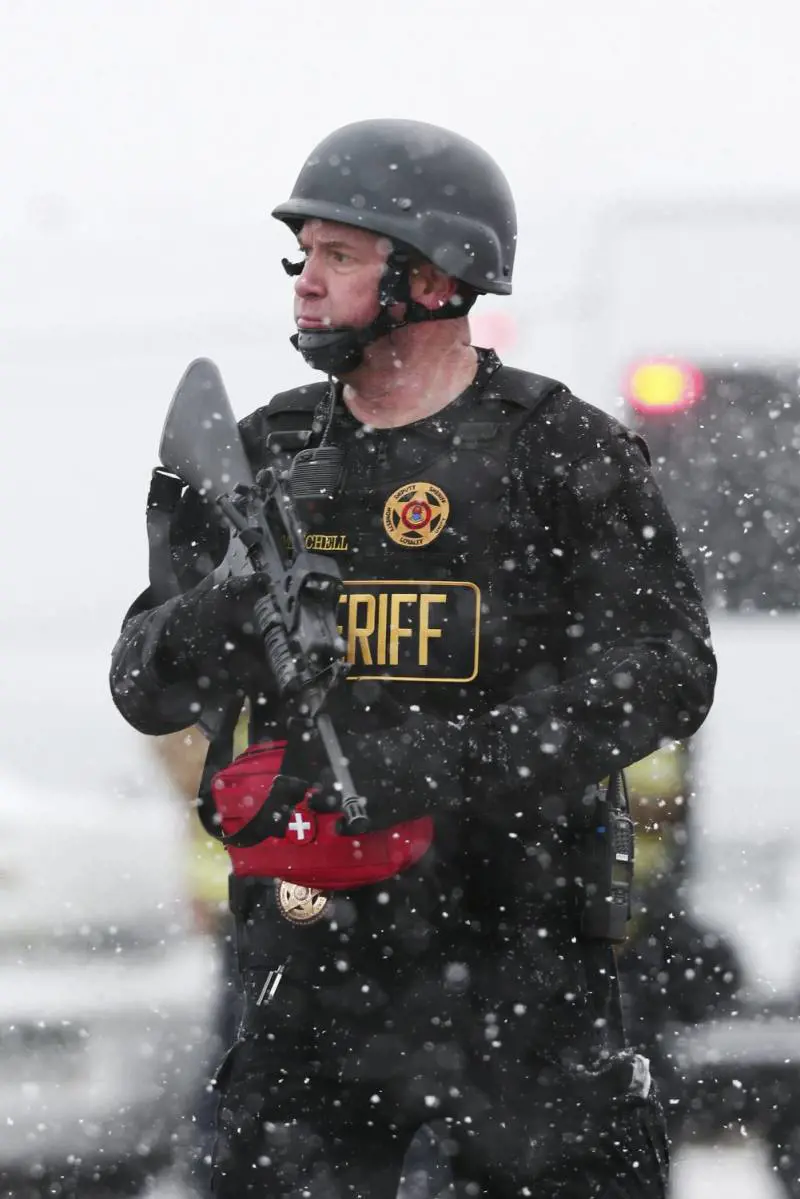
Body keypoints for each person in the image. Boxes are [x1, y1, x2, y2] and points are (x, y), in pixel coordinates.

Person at [109, 118, 717, 1198]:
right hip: (313, 979)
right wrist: (231, 605)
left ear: (435, 277)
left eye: (339, 254)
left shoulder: (558, 451)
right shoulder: (260, 457)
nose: (305, 281)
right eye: (303, 255)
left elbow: (665, 671)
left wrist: (428, 768)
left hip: (522, 965)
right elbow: (145, 682)